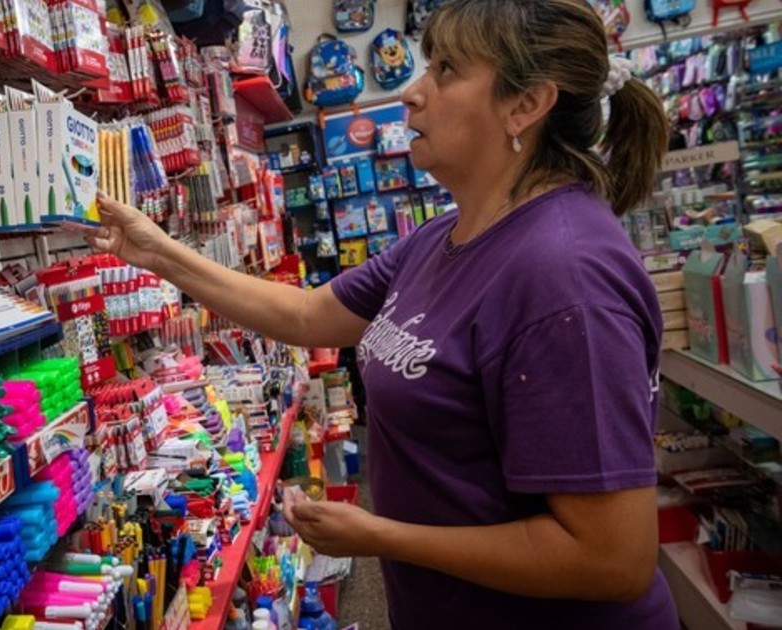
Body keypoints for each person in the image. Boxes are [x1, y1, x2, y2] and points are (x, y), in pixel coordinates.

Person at [82, 1, 676, 627]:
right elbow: (309, 315)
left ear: (525, 104)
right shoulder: (446, 236)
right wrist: (157, 252)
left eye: (446, 70)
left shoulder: (564, 277)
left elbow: (611, 558)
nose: (413, 93)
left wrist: (379, 535)